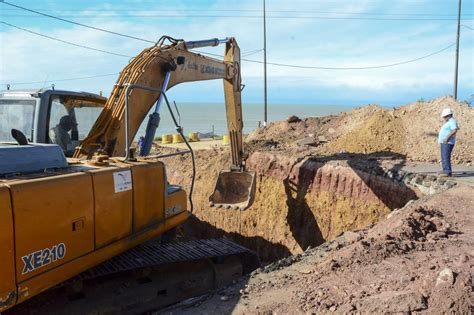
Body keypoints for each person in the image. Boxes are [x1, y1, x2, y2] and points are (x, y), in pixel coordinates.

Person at [438, 108, 459, 177]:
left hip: (448, 142)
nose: (443, 118)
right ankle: (445, 170)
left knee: (446, 157)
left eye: (444, 117)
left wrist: (447, 139)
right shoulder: (449, 122)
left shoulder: (452, 121)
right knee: (444, 156)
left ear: (448, 115)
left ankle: (447, 172)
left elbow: (454, 130)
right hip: (445, 142)